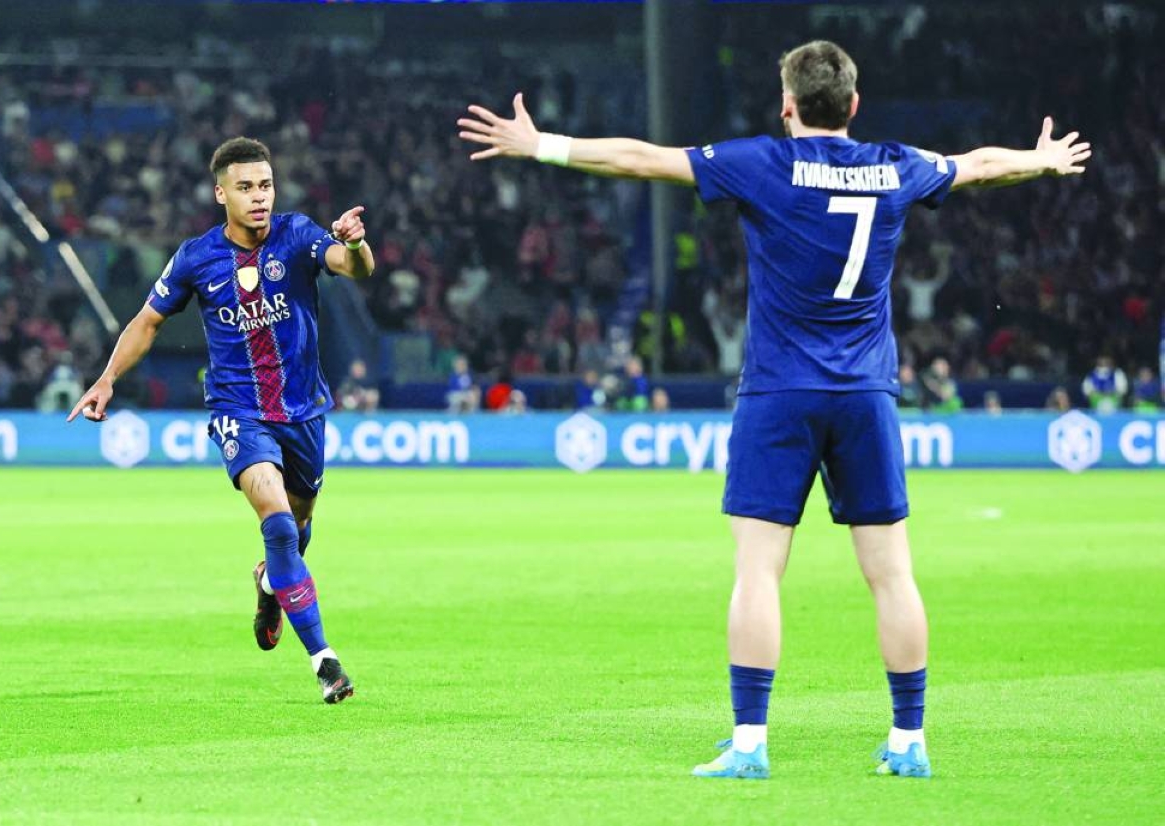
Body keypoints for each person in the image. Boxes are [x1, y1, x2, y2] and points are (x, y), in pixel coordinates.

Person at [459, 39, 1089, 779]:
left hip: (780, 392)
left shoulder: (763, 162)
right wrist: (1040, 161)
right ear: (854, 105)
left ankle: (751, 745)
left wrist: (543, 145)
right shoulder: (896, 164)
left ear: (787, 105)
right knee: (892, 575)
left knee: (759, 571)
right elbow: (976, 165)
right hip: (866, 394)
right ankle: (910, 741)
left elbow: (642, 157)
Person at [68, 137, 375, 704]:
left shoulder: (300, 234)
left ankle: (269, 584)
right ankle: (325, 661)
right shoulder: (196, 257)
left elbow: (352, 267)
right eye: (245, 188)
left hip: (304, 409)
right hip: (239, 411)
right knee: (279, 523)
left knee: (300, 525)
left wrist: (356, 245)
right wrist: (108, 377)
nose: (259, 197)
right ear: (220, 193)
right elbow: (146, 322)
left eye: (265, 185)